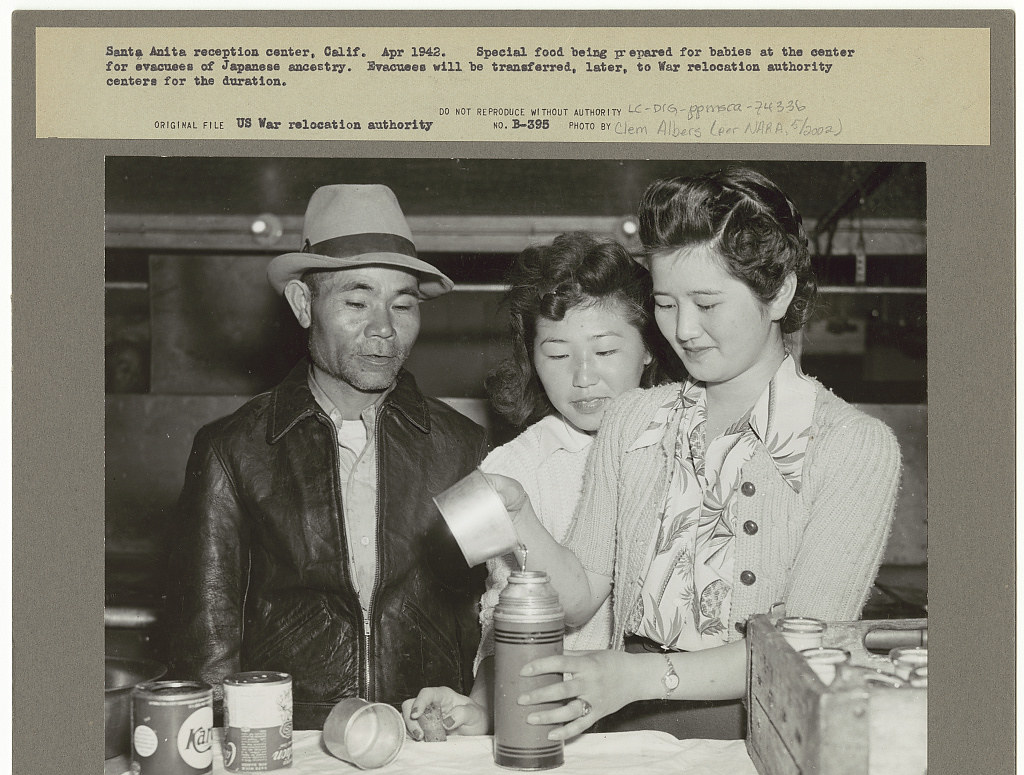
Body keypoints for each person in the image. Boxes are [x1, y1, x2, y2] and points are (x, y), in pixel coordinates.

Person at [429, 166, 902, 742]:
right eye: (665, 303)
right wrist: (520, 514)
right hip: (625, 721)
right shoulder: (633, 421)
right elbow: (578, 600)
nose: (684, 330)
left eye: (706, 303)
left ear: (778, 292)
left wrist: (636, 677)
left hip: (761, 729)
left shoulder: (853, 446)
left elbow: (808, 646)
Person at [165, 184, 489, 729]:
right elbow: (207, 647)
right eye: (357, 303)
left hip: (424, 737)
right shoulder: (234, 449)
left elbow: (491, 612)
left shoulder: (462, 446)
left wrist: (478, 710)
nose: (384, 328)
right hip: (288, 743)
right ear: (302, 304)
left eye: (403, 305)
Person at [402, 231, 673, 739]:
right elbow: (500, 619)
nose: (583, 377)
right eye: (557, 354)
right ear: (531, 356)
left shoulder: (690, 444)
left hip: (670, 720)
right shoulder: (515, 469)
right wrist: (481, 710)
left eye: (605, 349)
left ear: (648, 349)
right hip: (557, 726)